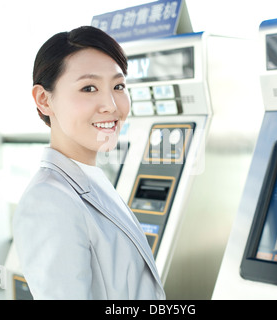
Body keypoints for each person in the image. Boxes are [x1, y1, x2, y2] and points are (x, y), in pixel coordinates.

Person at [13, 26, 166, 300]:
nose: (110, 105)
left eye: (118, 86)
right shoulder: (48, 201)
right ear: (44, 100)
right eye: (89, 88)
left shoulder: (90, 180)